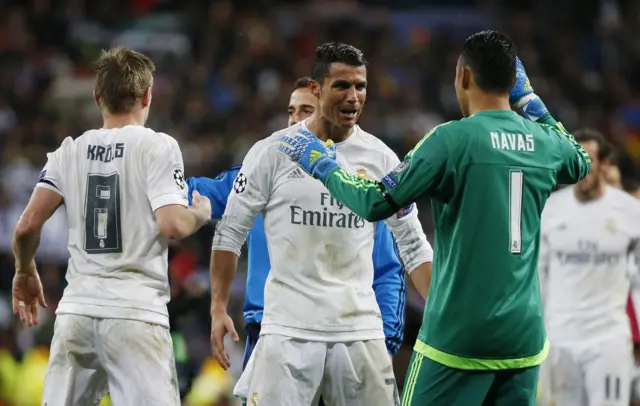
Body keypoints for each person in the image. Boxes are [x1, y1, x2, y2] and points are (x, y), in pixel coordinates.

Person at [279, 30, 591, 405]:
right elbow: (580, 162)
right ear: (514, 82)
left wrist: (322, 163)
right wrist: (530, 101)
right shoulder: (545, 143)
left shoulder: (450, 140)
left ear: (463, 76)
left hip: (459, 336)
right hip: (523, 336)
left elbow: (376, 203)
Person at [210, 42, 434, 406]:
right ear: (316, 89)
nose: (353, 96)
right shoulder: (273, 152)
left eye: (360, 86)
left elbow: (412, 244)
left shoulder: (381, 159)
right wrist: (218, 308)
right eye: (342, 86)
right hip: (288, 331)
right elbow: (229, 232)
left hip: (359, 329)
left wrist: (441, 307)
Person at [11, 47, 211, 405]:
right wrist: (200, 212)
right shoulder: (158, 146)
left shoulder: (69, 150)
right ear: (147, 95)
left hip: (77, 311)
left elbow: (26, 227)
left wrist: (25, 269)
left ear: (97, 97)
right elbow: (172, 226)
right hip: (134, 312)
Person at [187, 76, 408, 377]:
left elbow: (386, 270)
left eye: (305, 111)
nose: (294, 121)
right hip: (272, 330)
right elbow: (194, 191)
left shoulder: (365, 190)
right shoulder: (261, 173)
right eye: (291, 111)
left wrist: (385, 339)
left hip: (343, 337)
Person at [539, 128, 640, 406]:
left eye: (589, 160)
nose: (581, 167)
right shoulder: (550, 210)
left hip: (608, 340)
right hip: (559, 339)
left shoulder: (630, 213)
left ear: (605, 164)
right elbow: (538, 278)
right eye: (576, 159)